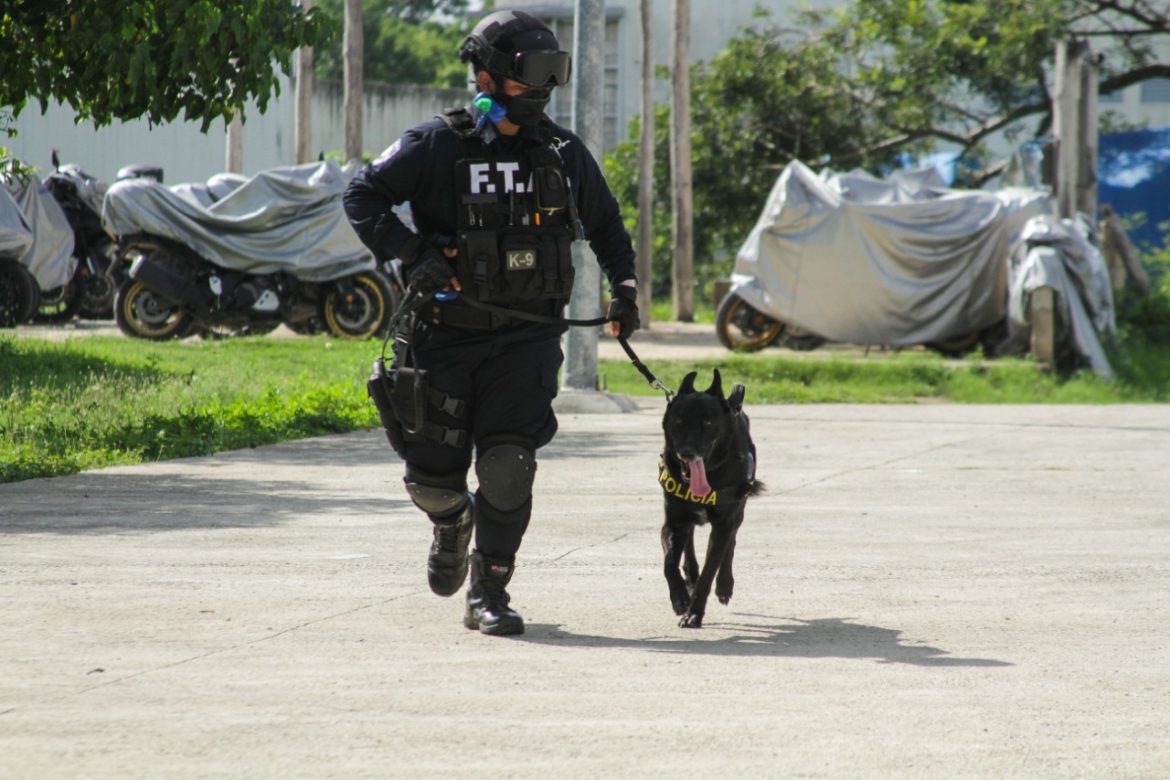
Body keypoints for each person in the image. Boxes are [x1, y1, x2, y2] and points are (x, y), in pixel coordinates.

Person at [344, 9, 640, 637]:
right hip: (443, 338)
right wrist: (414, 253)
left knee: (508, 466)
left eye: (553, 73)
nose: (544, 89)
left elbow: (607, 225)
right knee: (432, 480)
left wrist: (627, 290)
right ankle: (451, 523)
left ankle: (489, 590)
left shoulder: (562, 152)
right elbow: (362, 194)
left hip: (527, 340)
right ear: (487, 74)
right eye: (531, 74)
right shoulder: (437, 143)